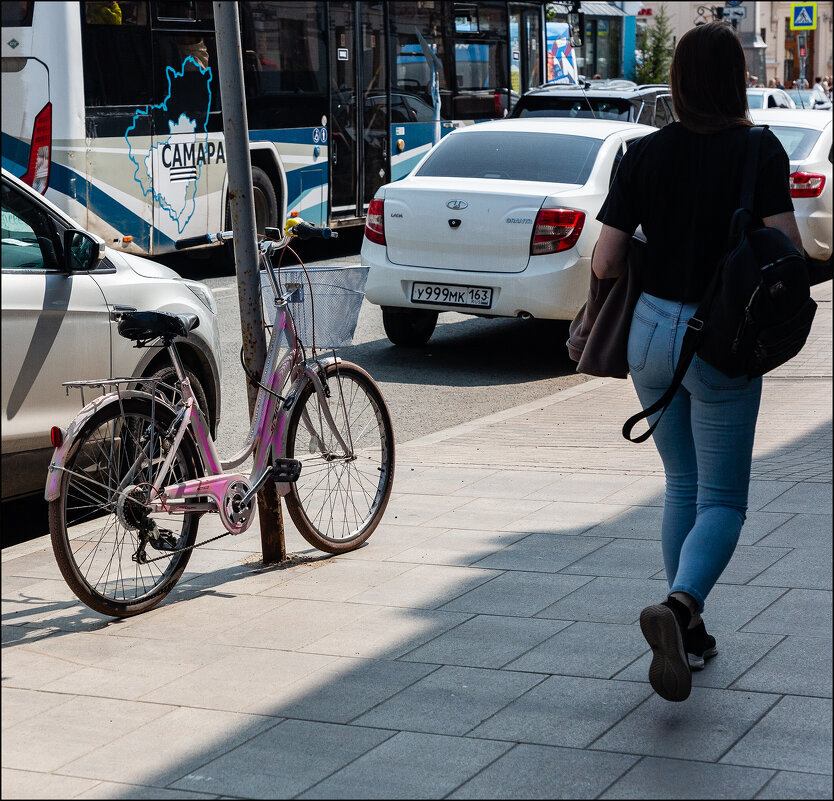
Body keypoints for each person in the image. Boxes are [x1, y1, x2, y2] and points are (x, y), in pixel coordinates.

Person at [591, 21, 802, 703]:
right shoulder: (758, 150)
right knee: (723, 498)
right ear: (735, 81)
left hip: (650, 332)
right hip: (721, 340)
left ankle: (693, 632)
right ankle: (680, 608)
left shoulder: (642, 153)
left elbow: (605, 258)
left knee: (682, 482)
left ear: (678, 83)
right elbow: (787, 248)